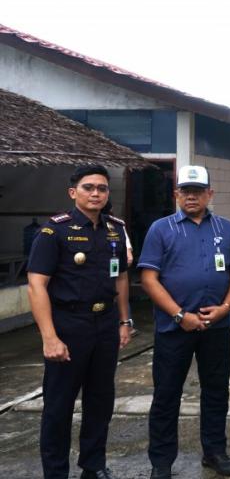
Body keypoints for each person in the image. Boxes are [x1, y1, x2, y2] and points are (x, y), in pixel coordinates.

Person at [137, 166, 230, 479]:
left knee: (216, 392)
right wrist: (180, 315)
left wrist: (225, 308)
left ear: (210, 193)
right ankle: (161, 461)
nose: (192, 196)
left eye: (198, 190)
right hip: (174, 328)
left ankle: (214, 451)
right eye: (186, 190)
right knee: (167, 394)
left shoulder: (225, 228)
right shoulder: (161, 229)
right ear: (176, 194)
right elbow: (149, 278)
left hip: (216, 327)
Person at [27, 164, 132, 479]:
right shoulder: (53, 231)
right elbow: (36, 285)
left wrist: (125, 321)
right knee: (59, 406)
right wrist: (49, 337)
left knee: (101, 400)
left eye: (102, 188)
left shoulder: (115, 228)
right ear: (74, 193)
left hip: (106, 323)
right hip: (69, 325)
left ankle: (93, 465)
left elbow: (121, 278)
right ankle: (56, 473)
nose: (96, 193)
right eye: (89, 187)